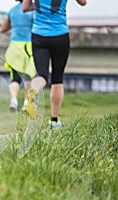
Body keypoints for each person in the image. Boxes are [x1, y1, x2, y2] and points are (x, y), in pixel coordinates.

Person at [22, 0, 87, 128]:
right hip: (60, 35)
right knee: (57, 79)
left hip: (38, 36)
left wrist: (39, 7)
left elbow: (24, 7)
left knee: (42, 76)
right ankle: (54, 120)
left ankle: (33, 92)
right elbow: (83, 2)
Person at [1, 0, 36, 113]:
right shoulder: (32, 10)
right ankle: (26, 104)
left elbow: (3, 28)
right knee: (28, 77)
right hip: (28, 46)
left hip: (14, 47)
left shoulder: (12, 11)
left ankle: (14, 100)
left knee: (15, 78)